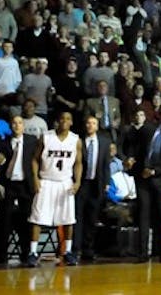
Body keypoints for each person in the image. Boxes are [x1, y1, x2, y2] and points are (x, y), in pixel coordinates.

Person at [27, 110, 82, 267]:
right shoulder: (46, 137)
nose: (65, 121)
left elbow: (78, 163)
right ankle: (33, 252)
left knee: (68, 219)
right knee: (37, 218)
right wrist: (36, 179)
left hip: (65, 182)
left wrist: (77, 182)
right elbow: (34, 160)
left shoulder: (76, 140)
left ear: (71, 122)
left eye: (68, 119)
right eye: (62, 118)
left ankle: (68, 252)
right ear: (57, 121)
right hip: (46, 181)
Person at [130, 106, 161, 263]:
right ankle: (143, 253)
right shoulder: (148, 130)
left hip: (159, 180)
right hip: (142, 178)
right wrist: (132, 159)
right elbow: (136, 147)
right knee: (143, 215)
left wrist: (154, 172)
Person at [0, 114, 38, 263]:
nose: (17, 125)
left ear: (23, 126)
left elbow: (37, 161)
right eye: (14, 123)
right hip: (9, 183)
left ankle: (26, 254)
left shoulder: (32, 141)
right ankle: (1, 255)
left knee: (26, 219)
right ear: (10, 126)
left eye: (20, 123)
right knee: (4, 220)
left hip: (25, 184)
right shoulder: (3, 142)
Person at [74, 115, 111, 261]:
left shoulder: (105, 142)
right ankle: (76, 249)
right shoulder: (78, 141)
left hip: (96, 183)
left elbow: (106, 165)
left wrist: (106, 183)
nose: (90, 125)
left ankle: (88, 249)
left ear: (97, 126)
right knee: (78, 217)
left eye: (93, 123)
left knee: (92, 218)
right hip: (81, 183)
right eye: (88, 123)